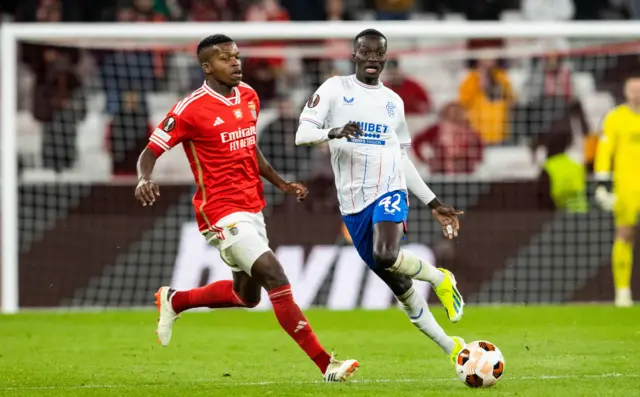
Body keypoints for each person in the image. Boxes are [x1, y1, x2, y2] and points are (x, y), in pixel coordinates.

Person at [134, 34, 359, 382]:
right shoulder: (189, 109)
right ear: (207, 67)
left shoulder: (249, 97)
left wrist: (281, 183)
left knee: (246, 296)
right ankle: (326, 364)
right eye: (225, 58)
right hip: (219, 211)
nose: (236, 63)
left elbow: (250, 150)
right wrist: (144, 178)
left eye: (237, 56)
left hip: (252, 207)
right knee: (275, 276)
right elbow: (150, 151)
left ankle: (175, 300)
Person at [295, 29, 466, 364]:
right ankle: (452, 348)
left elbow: (401, 158)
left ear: (385, 58)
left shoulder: (393, 102)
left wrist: (432, 202)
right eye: (365, 53)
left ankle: (439, 278)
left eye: (378, 54)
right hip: (352, 204)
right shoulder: (334, 88)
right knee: (400, 287)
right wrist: (332, 131)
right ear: (354, 55)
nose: (372, 59)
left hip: (389, 189)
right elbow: (302, 134)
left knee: (386, 253)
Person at [594, 76, 640, 308]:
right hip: (627, 187)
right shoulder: (615, 118)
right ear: (625, 91)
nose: (636, 93)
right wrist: (602, 183)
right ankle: (622, 291)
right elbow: (605, 151)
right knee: (624, 233)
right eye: (632, 89)